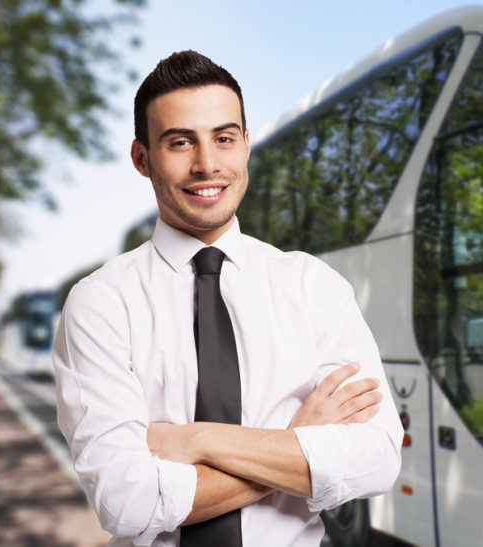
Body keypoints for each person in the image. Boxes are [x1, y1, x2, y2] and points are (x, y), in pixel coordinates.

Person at [53, 50, 403, 546]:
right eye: (180, 142)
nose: (208, 164)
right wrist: (293, 445)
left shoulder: (313, 286)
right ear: (141, 159)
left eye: (224, 138)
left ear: (245, 147)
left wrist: (195, 440)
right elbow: (126, 502)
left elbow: (376, 461)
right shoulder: (100, 304)